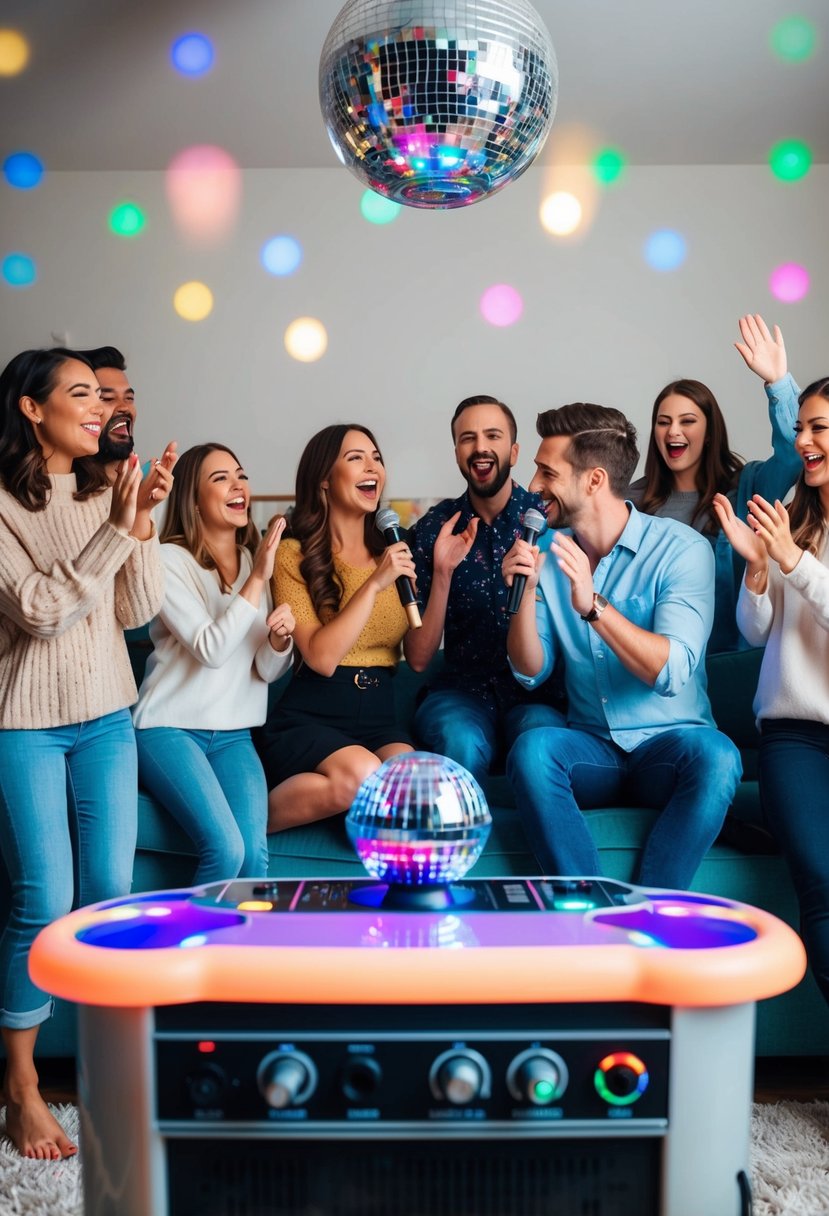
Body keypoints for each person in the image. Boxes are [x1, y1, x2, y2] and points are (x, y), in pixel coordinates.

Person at [0, 348, 165, 1159]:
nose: (99, 409)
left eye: (102, 398)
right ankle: (23, 1088)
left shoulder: (105, 487)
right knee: (43, 897)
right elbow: (36, 610)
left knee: (107, 893)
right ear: (32, 409)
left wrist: (141, 525)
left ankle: (110, 1069)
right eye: (80, 396)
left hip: (107, 714)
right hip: (22, 722)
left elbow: (135, 610)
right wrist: (111, 533)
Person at [503, 402, 742, 889]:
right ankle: (589, 907)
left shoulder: (681, 550)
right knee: (532, 750)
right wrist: (525, 594)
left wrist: (593, 606)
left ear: (593, 480)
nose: (533, 484)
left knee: (718, 756)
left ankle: (651, 911)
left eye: (548, 471)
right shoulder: (548, 552)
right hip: (594, 749)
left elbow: (671, 670)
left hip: (670, 748)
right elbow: (531, 669)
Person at [713, 377, 829, 1008]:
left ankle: (757, 818)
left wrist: (791, 560)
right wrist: (758, 569)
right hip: (795, 735)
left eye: (818, 428)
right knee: (822, 882)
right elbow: (758, 633)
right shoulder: (795, 519)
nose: (804, 440)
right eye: (802, 426)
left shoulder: (795, 541)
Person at [132, 444, 295, 882]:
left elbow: (263, 670)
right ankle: (199, 950)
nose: (238, 484)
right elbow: (211, 650)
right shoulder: (167, 560)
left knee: (254, 860)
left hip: (233, 734)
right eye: (220, 478)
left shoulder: (249, 560)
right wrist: (259, 579)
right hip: (168, 729)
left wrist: (279, 643)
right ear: (193, 497)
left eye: (240, 474)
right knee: (224, 850)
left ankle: (244, 952)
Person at [261, 424, 416, 832]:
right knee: (364, 772)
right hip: (313, 714)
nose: (373, 467)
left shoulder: (392, 554)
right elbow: (322, 658)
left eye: (377, 458)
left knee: (412, 786)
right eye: (356, 458)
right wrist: (375, 584)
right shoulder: (293, 555)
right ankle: (244, 823)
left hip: (381, 714)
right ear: (324, 480)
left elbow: (416, 653)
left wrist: (443, 573)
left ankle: (343, 808)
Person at [405, 395, 564, 784]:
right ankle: (457, 842)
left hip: (537, 696)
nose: (480, 447)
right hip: (460, 693)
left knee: (541, 738)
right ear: (457, 452)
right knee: (460, 741)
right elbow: (418, 659)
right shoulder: (432, 529)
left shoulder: (550, 520)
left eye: (492, 435)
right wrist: (442, 573)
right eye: (467, 438)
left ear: (513, 450)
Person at [629, 314, 802, 653]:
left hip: (725, 664)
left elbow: (793, 456)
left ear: (709, 433)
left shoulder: (749, 488)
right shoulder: (631, 502)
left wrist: (778, 383)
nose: (673, 431)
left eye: (687, 421)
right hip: (654, 664)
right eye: (663, 422)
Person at [76, 343, 177, 519]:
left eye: (129, 398)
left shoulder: (145, 492)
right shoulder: (67, 497)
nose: (125, 407)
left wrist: (142, 508)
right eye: (107, 398)